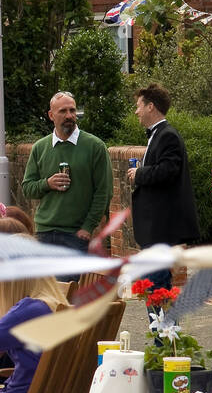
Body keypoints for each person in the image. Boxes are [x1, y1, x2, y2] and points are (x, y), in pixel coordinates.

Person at [21, 91, 113, 253]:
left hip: (77, 234)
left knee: (69, 280)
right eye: (63, 111)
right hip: (44, 232)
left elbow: (104, 192)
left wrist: (88, 227)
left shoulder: (95, 146)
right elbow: (27, 188)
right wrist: (47, 183)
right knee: (46, 279)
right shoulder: (40, 148)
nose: (69, 115)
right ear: (51, 115)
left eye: (72, 110)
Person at [128, 83, 199, 291]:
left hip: (161, 228)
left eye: (138, 106)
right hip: (156, 229)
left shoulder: (167, 135)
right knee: (154, 284)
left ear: (151, 107)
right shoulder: (158, 134)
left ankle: (163, 324)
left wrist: (139, 174)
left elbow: (168, 170)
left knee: (156, 285)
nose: (136, 111)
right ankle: (160, 323)